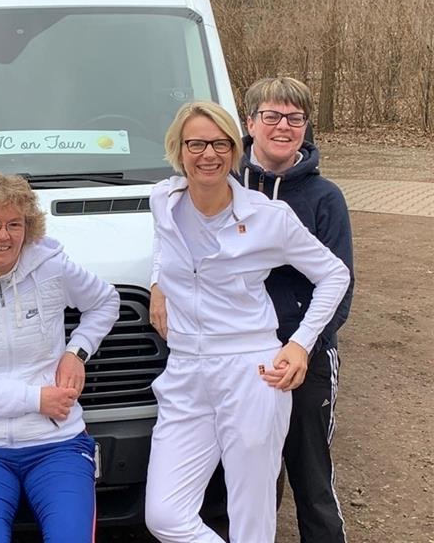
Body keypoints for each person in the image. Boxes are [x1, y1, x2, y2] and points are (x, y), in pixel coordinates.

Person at [144, 101, 350, 543]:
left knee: (250, 518)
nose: (208, 155)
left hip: (251, 371)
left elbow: (334, 273)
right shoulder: (162, 199)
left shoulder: (266, 216)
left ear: (235, 150)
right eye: (195, 143)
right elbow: (164, 247)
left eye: (220, 144)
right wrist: (157, 282)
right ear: (178, 150)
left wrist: (300, 343)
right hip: (184, 374)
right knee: (163, 515)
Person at [0, 170, 119, 543]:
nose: (3, 235)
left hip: (58, 444)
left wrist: (77, 351)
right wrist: (35, 399)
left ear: (27, 229)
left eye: (15, 224)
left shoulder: (53, 269)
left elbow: (105, 302)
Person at [240, 77, 354, 543]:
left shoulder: (324, 198)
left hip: (304, 352)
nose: (283, 126)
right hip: (243, 351)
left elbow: (340, 286)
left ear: (306, 127)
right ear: (251, 123)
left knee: (310, 477)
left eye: (295, 118)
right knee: (248, 479)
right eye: (271, 116)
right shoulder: (224, 186)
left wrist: (302, 345)